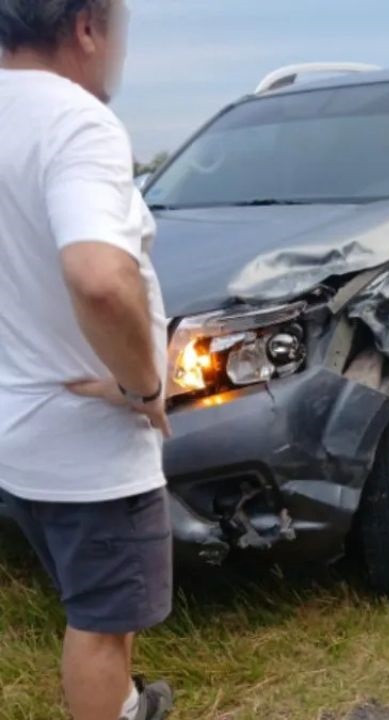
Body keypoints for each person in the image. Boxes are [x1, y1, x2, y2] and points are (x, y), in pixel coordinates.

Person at [0, 1, 175, 718]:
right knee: (100, 627)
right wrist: (142, 388)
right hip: (88, 449)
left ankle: (131, 706)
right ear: (86, 28)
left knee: (100, 609)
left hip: (22, 436)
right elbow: (101, 280)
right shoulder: (74, 121)